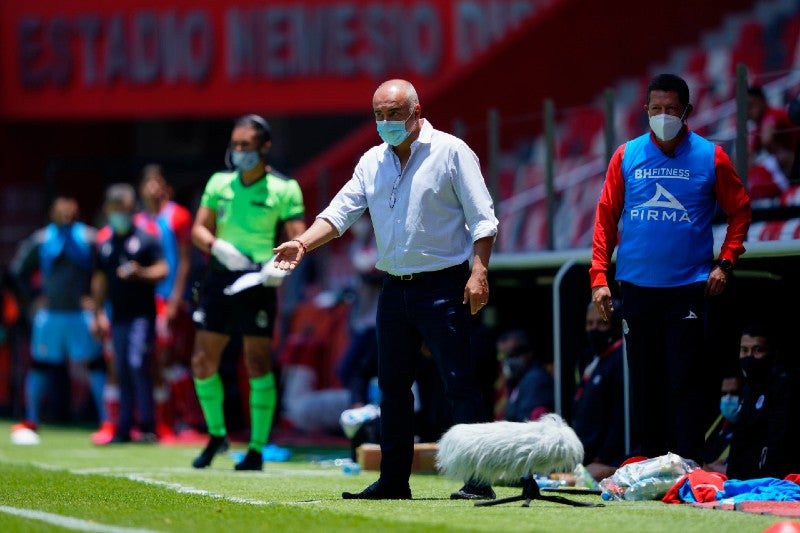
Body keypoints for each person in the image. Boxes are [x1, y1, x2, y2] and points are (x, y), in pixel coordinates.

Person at [273, 79, 498, 500]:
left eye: (394, 113)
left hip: (443, 284)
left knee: (458, 382)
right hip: (394, 289)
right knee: (391, 387)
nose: (386, 122)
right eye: (378, 115)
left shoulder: (451, 151)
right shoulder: (372, 161)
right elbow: (339, 212)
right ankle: (394, 480)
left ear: (416, 109)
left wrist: (478, 271)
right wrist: (302, 242)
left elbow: (483, 217)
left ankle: (480, 479)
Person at [590, 73, 752, 465]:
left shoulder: (711, 156)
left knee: (685, 379)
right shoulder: (626, 155)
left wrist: (725, 263)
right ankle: (645, 462)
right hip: (637, 287)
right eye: (656, 109)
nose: (663, 116)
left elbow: (741, 209)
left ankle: (687, 462)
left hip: (688, 288)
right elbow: (606, 218)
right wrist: (599, 279)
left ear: (688, 112)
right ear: (645, 110)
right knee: (643, 381)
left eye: (672, 110)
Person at [189, 114, 306, 471]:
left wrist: (278, 268)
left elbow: (298, 238)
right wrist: (216, 246)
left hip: (258, 280)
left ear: (264, 147)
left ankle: (256, 448)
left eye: (246, 146)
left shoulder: (285, 188)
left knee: (257, 362)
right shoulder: (218, 182)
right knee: (202, 361)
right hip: (220, 276)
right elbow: (198, 230)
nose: (239, 152)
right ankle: (216, 434)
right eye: (235, 145)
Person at [8, 195, 109, 444]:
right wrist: (32, 299)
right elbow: (17, 272)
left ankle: (107, 420)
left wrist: (96, 304)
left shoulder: (89, 238)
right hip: (50, 316)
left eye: (70, 208)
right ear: (52, 211)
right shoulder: (42, 239)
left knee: (95, 364)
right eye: (60, 209)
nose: (65, 212)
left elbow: (104, 270)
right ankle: (31, 418)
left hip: (81, 315)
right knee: (41, 365)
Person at [92, 184, 168, 443]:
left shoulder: (146, 239)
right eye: (116, 210)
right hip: (118, 317)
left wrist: (141, 273)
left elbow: (163, 270)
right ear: (108, 210)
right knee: (122, 368)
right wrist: (97, 313)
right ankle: (123, 428)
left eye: (124, 210)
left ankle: (147, 426)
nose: (120, 215)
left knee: (137, 363)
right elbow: (100, 280)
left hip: (142, 316)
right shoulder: (105, 243)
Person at [135, 164, 197, 441]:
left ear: (166, 188)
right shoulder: (137, 221)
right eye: (147, 183)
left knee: (172, 361)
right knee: (152, 364)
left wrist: (175, 300)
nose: (152, 188)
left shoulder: (179, 216)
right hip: (143, 303)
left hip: (169, 299)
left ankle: (185, 420)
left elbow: (184, 262)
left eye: (157, 183)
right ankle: (161, 422)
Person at [725, 324, 800, 480]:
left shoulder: (782, 387)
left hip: (771, 481)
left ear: (772, 353)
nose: (749, 356)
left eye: (757, 350)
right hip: (742, 482)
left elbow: (778, 442)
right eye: (744, 350)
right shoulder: (747, 389)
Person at [571, 301, 626, 482]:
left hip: (606, 460)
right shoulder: (591, 358)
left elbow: (620, 414)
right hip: (584, 454)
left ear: (615, 326)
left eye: (602, 323)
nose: (594, 329)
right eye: (589, 324)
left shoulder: (621, 360)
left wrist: (602, 457)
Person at [747, 85, 800, 188]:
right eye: (745, 108)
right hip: (792, 167)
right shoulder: (758, 128)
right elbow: (747, 153)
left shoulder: (772, 114)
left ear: (762, 101)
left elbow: (767, 139)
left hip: (795, 159)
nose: (748, 112)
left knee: (779, 158)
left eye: (751, 105)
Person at [500, 337, 554, 423]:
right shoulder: (523, 378)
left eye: (515, 354)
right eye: (507, 355)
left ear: (528, 354)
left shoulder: (535, 378)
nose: (510, 360)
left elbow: (525, 419)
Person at [701, 374, 742, 474]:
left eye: (734, 393)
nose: (728, 398)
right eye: (724, 394)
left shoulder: (748, 428)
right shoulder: (717, 424)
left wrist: (703, 469)